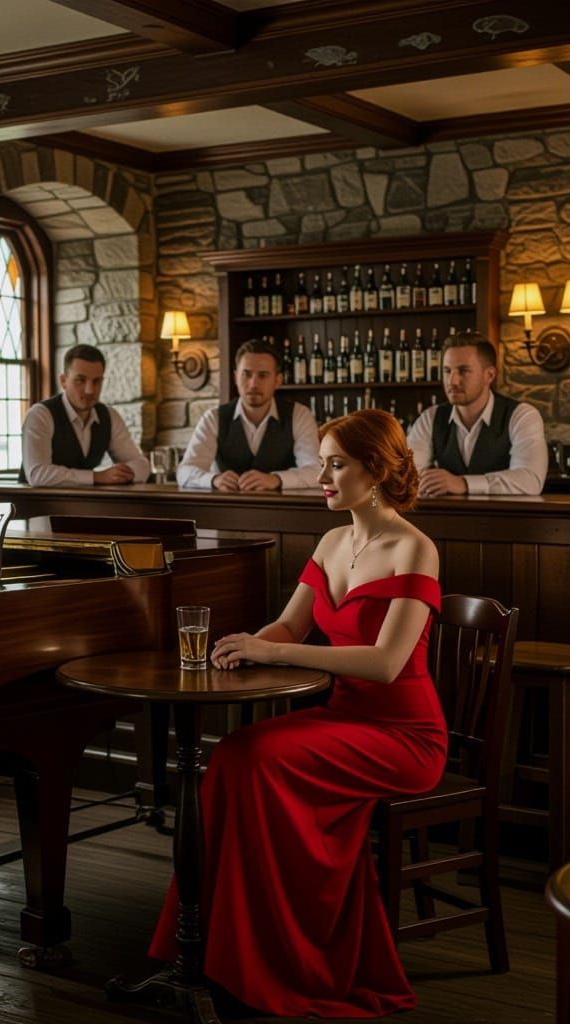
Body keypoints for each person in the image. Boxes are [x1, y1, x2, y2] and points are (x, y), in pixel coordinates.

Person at [150, 408, 446, 1018]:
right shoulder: (333, 540)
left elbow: (388, 663)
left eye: (337, 464)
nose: (323, 477)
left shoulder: (415, 549)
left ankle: (284, 958)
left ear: (377, 469)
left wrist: (275, 650)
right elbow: (290, 624)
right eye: (324, 463)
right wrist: (243, 645)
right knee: (233, 755)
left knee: (255, 756)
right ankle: (215, 949)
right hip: (343, 720)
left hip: (404, 735)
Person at [407, 330, 547, 496]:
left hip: (507, 521)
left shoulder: (521, 416)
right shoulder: (431, 418)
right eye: (447, 371)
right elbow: (404, 476)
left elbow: (530, 481)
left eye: (463, 371)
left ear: (489, 375)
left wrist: (463, 483)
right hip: (446, 520)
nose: (452, 381)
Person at [177, 339, 320, 491]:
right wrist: (213, 479)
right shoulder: (214, 418)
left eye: (263, 375)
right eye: (246, 374)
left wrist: (276, 479)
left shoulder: (299, 415)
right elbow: (185, 471)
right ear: (235, 378)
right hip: (227, 511)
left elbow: (316, 471)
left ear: (278, 380)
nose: (253, 384)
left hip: (284, 512)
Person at [19, 343, 150, 486]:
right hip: (33, 505)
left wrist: (124, 473)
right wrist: (97, 477)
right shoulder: (41, 414)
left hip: (84, 506)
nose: (89, 390)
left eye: (96, 381)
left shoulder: (109, 416)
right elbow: (37, 475)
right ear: (63, 381)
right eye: (80, 380)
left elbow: (141, 465)